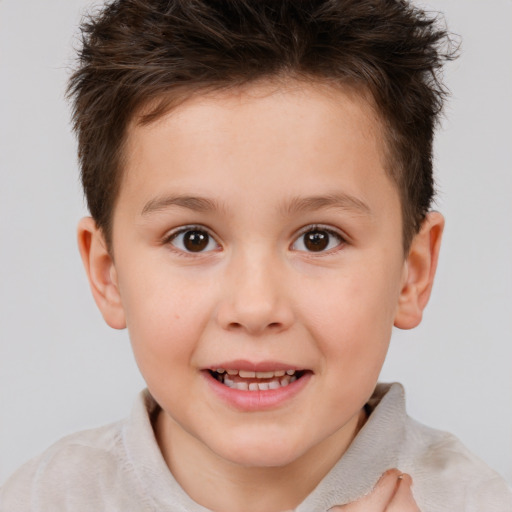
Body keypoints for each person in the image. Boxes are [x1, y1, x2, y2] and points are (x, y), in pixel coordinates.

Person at [1, 0, 511, 510]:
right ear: (108, 274)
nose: (255, 307)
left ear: (411, 275)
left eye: (318, 238)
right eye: (193, 238)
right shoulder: (41, 498)